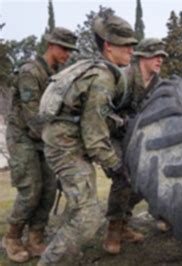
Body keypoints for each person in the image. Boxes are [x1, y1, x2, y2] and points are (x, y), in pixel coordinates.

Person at [38, 15, 137, 265]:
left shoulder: (94, 69)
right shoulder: (102, 78)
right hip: (66, 146)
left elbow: (91, 114)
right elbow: (94, 136)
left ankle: (67, 253)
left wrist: (120, 123)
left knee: (79, 207)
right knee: (89, 215)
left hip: (63, 140)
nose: (131, 49)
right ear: (108, 46)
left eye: (132, 43)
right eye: (125, 44)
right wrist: (117, 166)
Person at [3, 27, 77, 263]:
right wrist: (59, 139)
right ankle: (12, 238)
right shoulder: (30, 72)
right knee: (30, 189)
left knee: (48, 189)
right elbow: (33, 117)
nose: (68, 54)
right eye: (64, 48)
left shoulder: (58, 73)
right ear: (51, 45)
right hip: (23, 136)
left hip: (44, 137)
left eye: (70, 50)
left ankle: (36, 237)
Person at [103, 37, 169, 255]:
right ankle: (114, 229)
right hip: (111, 135)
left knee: (146, 179)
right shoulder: (123, 77)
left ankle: (124, 223)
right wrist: (123, 122)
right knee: (122, 176)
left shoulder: (158, 84)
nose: (160, 60)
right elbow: (101, 112)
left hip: (137, 137)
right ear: (143, 57)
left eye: (162, 56)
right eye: (156, 55)